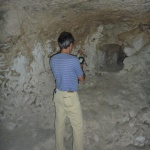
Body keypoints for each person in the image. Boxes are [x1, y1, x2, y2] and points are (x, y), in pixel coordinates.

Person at [50, 31, 85, 150]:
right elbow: (82, 78)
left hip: (58, 95)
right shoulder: (74, 60)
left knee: (59, 125)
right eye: (72, 45)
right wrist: (81, 67)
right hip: (70, 97)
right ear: (69, 44)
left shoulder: (53, 59)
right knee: (78, 127)